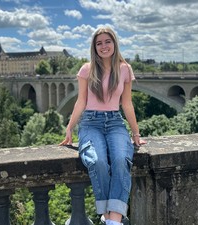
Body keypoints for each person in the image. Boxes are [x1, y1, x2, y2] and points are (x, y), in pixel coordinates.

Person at [60, 26, 146, 225]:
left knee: (120, 159)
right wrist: (70, 127)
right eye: (99, 43)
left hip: (115, 122)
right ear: (94, 47)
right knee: (96, 161)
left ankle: (112, 219)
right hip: (90, 123)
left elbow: (127, 103)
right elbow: (81, 101)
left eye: (107, 41)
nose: (104, 46)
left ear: (114, 43)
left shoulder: (125, 69)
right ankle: (109, 217)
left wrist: (135, 133)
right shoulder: (86, 69)